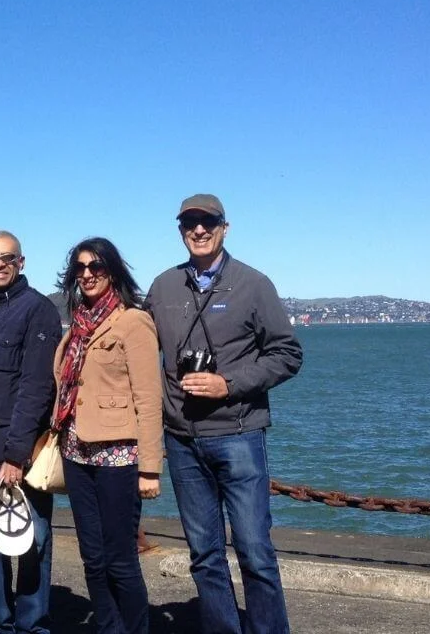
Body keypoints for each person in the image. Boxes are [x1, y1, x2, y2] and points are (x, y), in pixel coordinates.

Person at [146, 194, 303, 634]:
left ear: (224, 227)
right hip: (181, 439)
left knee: (254, 551)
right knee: (204, 554)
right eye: (189, 223)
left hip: (238, 434)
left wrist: (227, 383)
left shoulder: (253, 284)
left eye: (207, 222)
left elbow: (288, 354)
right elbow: (138, 351)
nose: (198, 230)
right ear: (180, 230)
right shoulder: (162, 288)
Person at [51, 237, 162, 634]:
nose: (87, 274)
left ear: (112, 271)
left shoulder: (133, 321)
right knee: (92, 558)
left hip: (118, 457)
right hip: (76, 454)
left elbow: (148, 400)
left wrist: (150, 469)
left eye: (96, 266)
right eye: (80, 268)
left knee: (119, 559)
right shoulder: (79, 323)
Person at [0, 231, 63, 634]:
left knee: (33, 540)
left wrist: (15, 455)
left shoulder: (39, 310)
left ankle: (33, 625)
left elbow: (36, 387)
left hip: (18, 454)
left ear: (22, 262)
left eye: (7, 258)